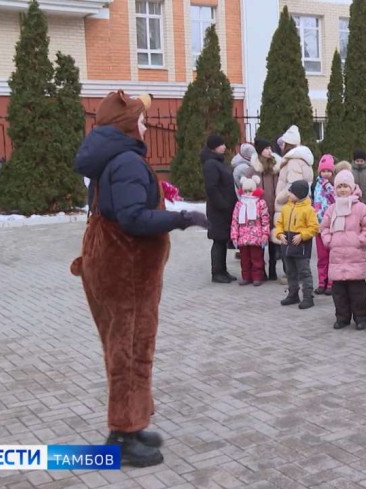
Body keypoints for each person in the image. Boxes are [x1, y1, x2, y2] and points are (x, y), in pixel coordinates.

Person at [71, 90, 209, 466]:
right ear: (128, 124)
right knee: (131, 350)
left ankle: (130, 423)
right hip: (128, 272)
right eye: (142, 118)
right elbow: (133, 218)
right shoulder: (127, 162)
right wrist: (184, 218)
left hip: (114, 268)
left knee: (125, 347)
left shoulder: (111, 158)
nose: (147, 124)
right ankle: (123, 436)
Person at [321, 170, 366, 330]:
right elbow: (324, 227)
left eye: (345, 186)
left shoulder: (360, 208)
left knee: (357, 293)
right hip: (337, 258)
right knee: (339, 294)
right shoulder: (332, 209)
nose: (342, 190)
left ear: (352, 188)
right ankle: (342, 317)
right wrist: (328, 240)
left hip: (355, 257)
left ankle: (361, 317)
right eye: (339, 187)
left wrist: (361, 240)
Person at [274, 180, 319, 310]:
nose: (289, 194)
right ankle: (293, 294)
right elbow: (280, 224)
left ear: (299, 194)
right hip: (286, 246)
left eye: (291, 192)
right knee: (290, 272)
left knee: (304, 272)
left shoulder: (308, 210)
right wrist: (279, 234)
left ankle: (308, 297)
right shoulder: (286, 207)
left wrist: (302, 235)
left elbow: (314, 227)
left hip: (301, 247)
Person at [202, 133, 238, 284]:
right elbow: (212, 188)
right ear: (214, 147)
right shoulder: (211, 164)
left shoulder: (218, 162)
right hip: (218, 210)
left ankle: (223, 271)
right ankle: (217, 272)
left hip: (225, 208)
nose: (224, 146)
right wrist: (223, 204)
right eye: (221, 144)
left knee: (222, 239)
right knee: (218, 240)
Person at [251, 138, 284, 281]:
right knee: (261, 241)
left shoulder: (276, 167)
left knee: (273, 240)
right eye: (266, 148)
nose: (270, 151)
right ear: (260, 151)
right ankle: (260, 271)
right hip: (260, 210)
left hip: (275, 208)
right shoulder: (253, 169)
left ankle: (272, 269)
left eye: (271, 148)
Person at [230, 175, 269, 286]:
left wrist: (265, 234)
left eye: (250, 191)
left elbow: (265, 220)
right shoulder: (239, 204)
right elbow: (235, 221)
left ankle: (257, 276)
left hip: (256, 237)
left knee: (256, 258)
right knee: (244, 259)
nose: (247, 193)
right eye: (245, 191)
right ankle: (246, 277)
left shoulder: (260, 203)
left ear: (254, 190)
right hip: (243, 237)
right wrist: (234, 236)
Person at [312, 154, 336, 294]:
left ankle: (331, 284)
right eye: (323, 171)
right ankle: (322, 282)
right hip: (318, 226)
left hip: (331, 227)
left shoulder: (333, 185)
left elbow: (335, 199)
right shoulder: (315, 184)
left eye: (329, 171)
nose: (326, 174)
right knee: (322, 257)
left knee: (331, 256)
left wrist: (329, 187)